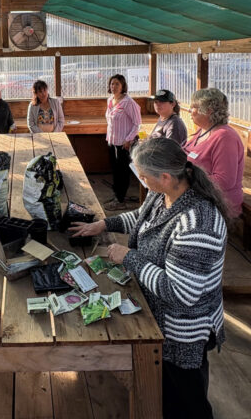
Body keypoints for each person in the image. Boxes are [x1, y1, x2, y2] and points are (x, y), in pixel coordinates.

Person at [70, 137, 227, 419]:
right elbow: (143, 218)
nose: (139, 180)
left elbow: (180, 292)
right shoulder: (164, 193)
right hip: (157, 315)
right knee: (161, 393)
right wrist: (104, 224)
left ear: (165, 176)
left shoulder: (198, 225)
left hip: (183, 331)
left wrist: (128, 257)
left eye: (142, 176)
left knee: (186, 400)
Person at [182, 87, 245, 220]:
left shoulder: (225, 137)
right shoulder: (202, 130)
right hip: (197, 198)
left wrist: (184, 182)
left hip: (216, 205)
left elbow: (224, 180)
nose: (189, 110)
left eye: (194, 106)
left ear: (208, 111)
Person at [104, 74, 142, 211]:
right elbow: (110, 121)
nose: (113, 87)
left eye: (117, 84)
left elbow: (137, 123)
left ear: (123, 86)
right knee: (115, 170)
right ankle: (117, 196)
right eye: (112, 84)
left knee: (123, 171)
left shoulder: (128, 102)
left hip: (124, 143)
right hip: (112, 141)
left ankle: (120, 200)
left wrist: (129, 139)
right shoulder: (110, 100)